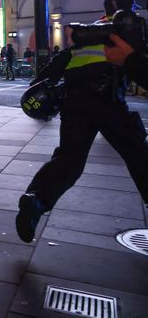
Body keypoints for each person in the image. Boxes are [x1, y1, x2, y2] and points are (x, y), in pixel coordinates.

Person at [16, 31, 148, 243]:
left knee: (69, 159)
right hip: (109, 104)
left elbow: (42, 78)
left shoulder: (75, 49)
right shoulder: (116, 46)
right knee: (137, 153)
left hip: (74, 107)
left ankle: (36, 199)